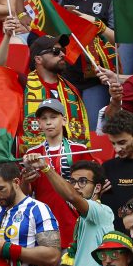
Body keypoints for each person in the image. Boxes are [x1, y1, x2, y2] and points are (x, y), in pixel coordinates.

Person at [25, 154, 113, 266]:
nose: (76, 186)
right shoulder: (82, 217)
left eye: (83, 181)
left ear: (98, 188)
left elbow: (71, 196)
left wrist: (45, 167)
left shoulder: (102, 211)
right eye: (72, 181)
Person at [18, 93, 88, 245]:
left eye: (53, 117)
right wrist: (25, 180)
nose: (49, 122)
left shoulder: (79, 150)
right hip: (46, 224)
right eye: (44, 118)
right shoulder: (32, 154)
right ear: (39, 124)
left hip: (75, 222)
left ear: (63, 120)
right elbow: (24, 195)